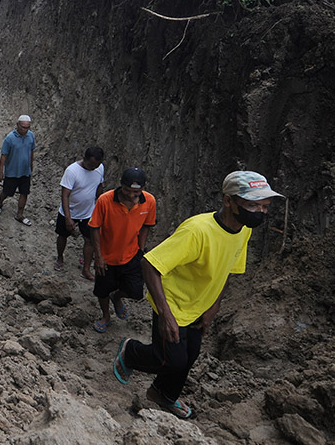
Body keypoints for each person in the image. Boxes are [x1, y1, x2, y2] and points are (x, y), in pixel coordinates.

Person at [112, 170, 283, 419]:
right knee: (168, 360)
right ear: (228, 201)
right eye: (252, 205)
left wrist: (213, 306)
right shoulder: (198, 231)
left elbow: (228, 270)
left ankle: (163, 394)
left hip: (199, 305)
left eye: (264, 206)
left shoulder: (244, 230)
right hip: (173, 302)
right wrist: (165, 314)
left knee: (189, 356)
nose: (260, 212)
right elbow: (150, 264)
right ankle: (130, 351)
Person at [89, 167, 156, 334]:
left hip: (132, 255)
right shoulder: (105, 200)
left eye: (136, 192)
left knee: (135, 292)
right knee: (102, 291)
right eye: (128, 190)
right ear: (121, 186)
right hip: (106, 257)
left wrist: (140, 249)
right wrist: (98, 256)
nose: (132, 195)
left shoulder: (149, 202)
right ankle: (106, 316)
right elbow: (95, 227)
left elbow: (147, 226)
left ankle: (117, 297)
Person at [54, 146, 105, 277]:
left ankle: (86, 269)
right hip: (69, 211)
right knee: (62, 236)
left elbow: (99, 186)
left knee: (90, 240)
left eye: (97, 165)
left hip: (88, 213)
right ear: (86, 159)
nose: (94, 168)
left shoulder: (99, 168)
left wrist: (99, 206)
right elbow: (65, 195)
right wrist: (68, 218)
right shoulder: (72, 171)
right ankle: (60, 257)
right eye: (92, 164)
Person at [0, 115, 36, 226]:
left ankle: (19, 214)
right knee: (7, 192)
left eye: (27, 127)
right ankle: (0, 203)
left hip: (25, 172)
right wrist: (1, 171)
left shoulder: (31, 136)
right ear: (17, 125)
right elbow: (4, 155)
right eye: (23, 127)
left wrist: (31, 164)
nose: (25, 130)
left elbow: (32, 151)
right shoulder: (10, 138)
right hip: (12, 172)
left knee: (24, 193)